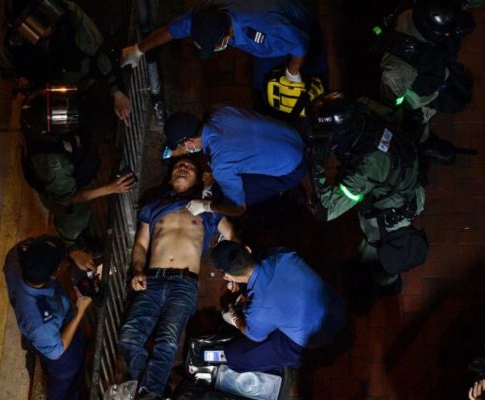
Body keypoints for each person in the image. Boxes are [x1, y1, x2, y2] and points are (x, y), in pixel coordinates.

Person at [118, 156, 236, 400]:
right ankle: (151, 390)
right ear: (169, 176)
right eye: (178, 166)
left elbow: (233, 234)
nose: (183, 168)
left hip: (184, 282)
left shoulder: (207, 209)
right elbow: (141, 244)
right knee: (128, 338)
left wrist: (236, 269)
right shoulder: (154, 205)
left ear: (196, 179)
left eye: (190, 167)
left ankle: (149, 392)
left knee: (168, 342)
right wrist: (138, 269)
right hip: (151, 279)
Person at [307, 91, 427, 304]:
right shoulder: (362, 111)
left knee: (376, 249)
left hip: (390, 214)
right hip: (406, 182)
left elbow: (326, 209)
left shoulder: (368, 164)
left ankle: (386, 281)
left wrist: (315, 163)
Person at [121, 0, 328, 93]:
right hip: (266, 47)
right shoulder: (205, 17)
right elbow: (170, 31)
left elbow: (300, 44)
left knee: (312, 79)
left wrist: (293, 72)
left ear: (228, 35)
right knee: (261, 83)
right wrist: (138, 49)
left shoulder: (266, 28)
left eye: (215, 45)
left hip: (300, 29)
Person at [20, 86, 135, 245]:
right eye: (61, 116)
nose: (66, 113)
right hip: (68, 195)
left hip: (77, 161)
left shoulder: (35, 114)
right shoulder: (53, 162)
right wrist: (112, 188)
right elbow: (69, 198)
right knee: (74, 221)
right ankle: (72, 244)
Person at [210, 240, 346, 373]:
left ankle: (310, 360)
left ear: (227, 276)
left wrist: (235, 318)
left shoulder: (257, 311)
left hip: (317, 340)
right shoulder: (281, 253)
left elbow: (255, 335)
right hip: (338, 309)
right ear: (247, 249)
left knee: (234, 357)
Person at [0, 0, 132, 124]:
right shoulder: (10, 45)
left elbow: (100, 51)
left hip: (82, 67)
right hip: (50, 82)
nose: (47, 28)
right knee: (41, 114)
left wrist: (117, 93)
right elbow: (11, 74)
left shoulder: (67, 13)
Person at [377, 0, 475, 163]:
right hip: (415, 98)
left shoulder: (418, 9)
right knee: (415, 126)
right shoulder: (398, 69)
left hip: (432, 72)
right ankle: (422, 144)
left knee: (458, 95)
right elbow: (390, 104)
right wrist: (408, 118)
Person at [163, 105, 306, 217]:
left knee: (226, 194)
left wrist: (206, 206)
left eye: (181, 145)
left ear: (189, 142)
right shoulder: (218, 111)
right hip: (293, 136)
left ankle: (284, 194)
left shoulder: (221, 165)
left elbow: (238, 209)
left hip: (293, 169)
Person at [4, 235, 97, 400]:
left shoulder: (16, 256)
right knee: (66, 378)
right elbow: (57, 351)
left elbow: (36, 244)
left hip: (49, 324)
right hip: (60, 352)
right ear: (55, 273)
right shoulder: (40, 324)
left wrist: (72, 252)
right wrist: (80, 311)